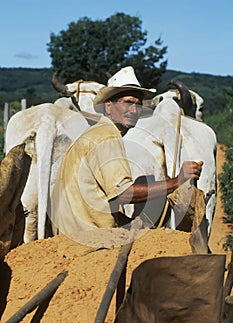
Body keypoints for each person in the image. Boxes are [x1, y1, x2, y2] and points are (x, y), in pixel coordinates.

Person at [50, 66, 203, 241]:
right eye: (128, 102)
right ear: (108, 107)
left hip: (68, 234)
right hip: (91, 237)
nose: (134, 110)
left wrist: (128, 222)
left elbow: (96, 199)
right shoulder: (107, 137)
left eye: (138, 105)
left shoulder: (95, 133)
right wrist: (177, 181)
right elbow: (123, 194)